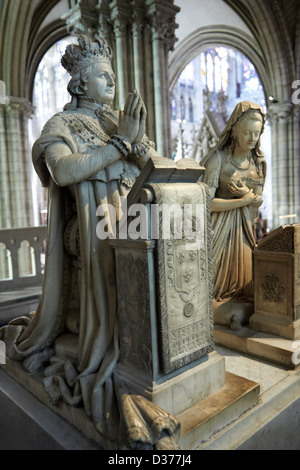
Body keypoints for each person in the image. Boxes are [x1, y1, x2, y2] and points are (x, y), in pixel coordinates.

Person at [0, 35, 180, 450]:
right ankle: (104, 344)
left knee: (144, 296)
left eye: (113, 74)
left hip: (133, 223)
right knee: (114, 306)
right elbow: (63, 171)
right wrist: (120, 144)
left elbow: (155, 166)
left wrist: (138, 141)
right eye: (104, 75)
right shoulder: (59, 125)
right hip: (92, 230)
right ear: (80, 85)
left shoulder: (118, 120)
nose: (112, 81)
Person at [201, 101, 266, 330]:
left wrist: (248, 198)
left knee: (247, 287)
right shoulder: (216, 159)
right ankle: (223, 311)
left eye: (256, 134)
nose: (251, 139)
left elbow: (258, 199)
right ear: (234, 130)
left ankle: (238, 309)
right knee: (214, 290)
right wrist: (243, 200)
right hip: (218, 233)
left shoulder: (258, 163)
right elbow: (204, 204)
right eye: (247, 132)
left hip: (245, 232)